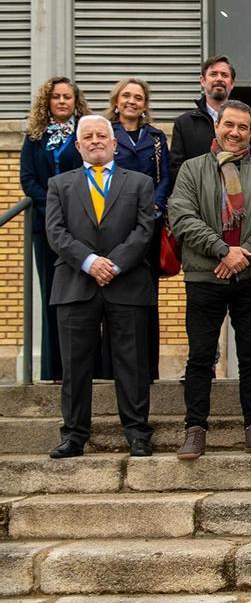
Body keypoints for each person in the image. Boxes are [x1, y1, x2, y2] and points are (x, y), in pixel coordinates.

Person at [168, 100, 251, 460]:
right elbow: (182, 216)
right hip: (206, 275)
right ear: (217, 127)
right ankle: (195, 429)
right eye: (229, 125)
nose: (235, 133)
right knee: (201, 356)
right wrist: (223, 251)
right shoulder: (192, 169)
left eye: (243, 128)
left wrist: (244, 252)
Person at [44, 115, 155, 458]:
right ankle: (74, 435)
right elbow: (55, 232)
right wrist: (91, 262)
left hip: (127, 283)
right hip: (76, 283)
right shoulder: (59, 184)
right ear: (78, 146)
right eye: (87, 136)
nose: (95, 140)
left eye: (101, 135)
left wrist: (115, 262)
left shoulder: (139, 182)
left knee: (132, 363)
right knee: (75, 366)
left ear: (114, 143)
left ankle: (137, 432)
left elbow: (144, 229)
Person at [21, 76, 88, 382]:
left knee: (81, 295)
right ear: (47, 101)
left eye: (68, 97)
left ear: (76, 102)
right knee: (52, 293)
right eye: (56, 97)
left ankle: (85, 366)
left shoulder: (84, 134)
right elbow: (28, 179)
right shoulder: (34, 137)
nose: (62, 101)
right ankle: (55, 368)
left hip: (82, 225)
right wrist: (53, 206)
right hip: (45, 225)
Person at [106, 78, 171, 380]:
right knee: (114, 297)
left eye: (138, 97)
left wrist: (153, 209)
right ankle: (113, 369)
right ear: (116, 102)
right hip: (114, 228)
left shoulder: (156, 138)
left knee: (147, 297)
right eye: (126, 96)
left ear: (145, 104)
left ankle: (148, 368)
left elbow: (165, 179)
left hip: (149, 227)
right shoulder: (106, 135)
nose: (132, 101)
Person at [169, 55, 251, 187]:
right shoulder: (184, 124)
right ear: (202, 80)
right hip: (197, 199)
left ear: (232, 83)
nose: (219, 78)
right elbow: (176, 169)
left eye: (224, 75)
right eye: (213, 74)